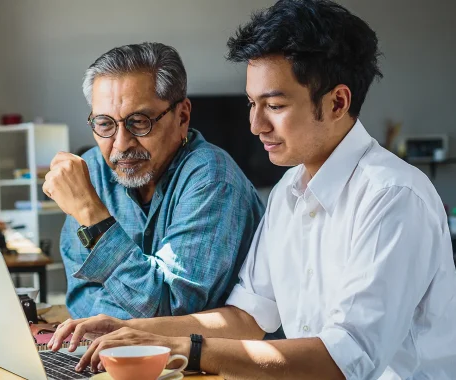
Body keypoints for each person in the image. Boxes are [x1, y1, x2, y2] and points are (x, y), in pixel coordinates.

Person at [48, 1, 456, 379]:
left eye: (274, 106)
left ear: (336, 103)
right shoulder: (288, 193)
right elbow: (246, 317)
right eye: (251, 104)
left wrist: (186, 348)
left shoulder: (394, 197)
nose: (255, 125)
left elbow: (345, 359)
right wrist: (133, 328)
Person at [42, 42, 264, 319]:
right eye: (105, 123)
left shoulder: (213, 179)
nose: (121, 144)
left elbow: (170, 307)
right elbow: (82, 295)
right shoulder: (93, 171)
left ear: (182, 116)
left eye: (139, 121)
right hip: (117, 355)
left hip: (209, 361)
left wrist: (92, 215)